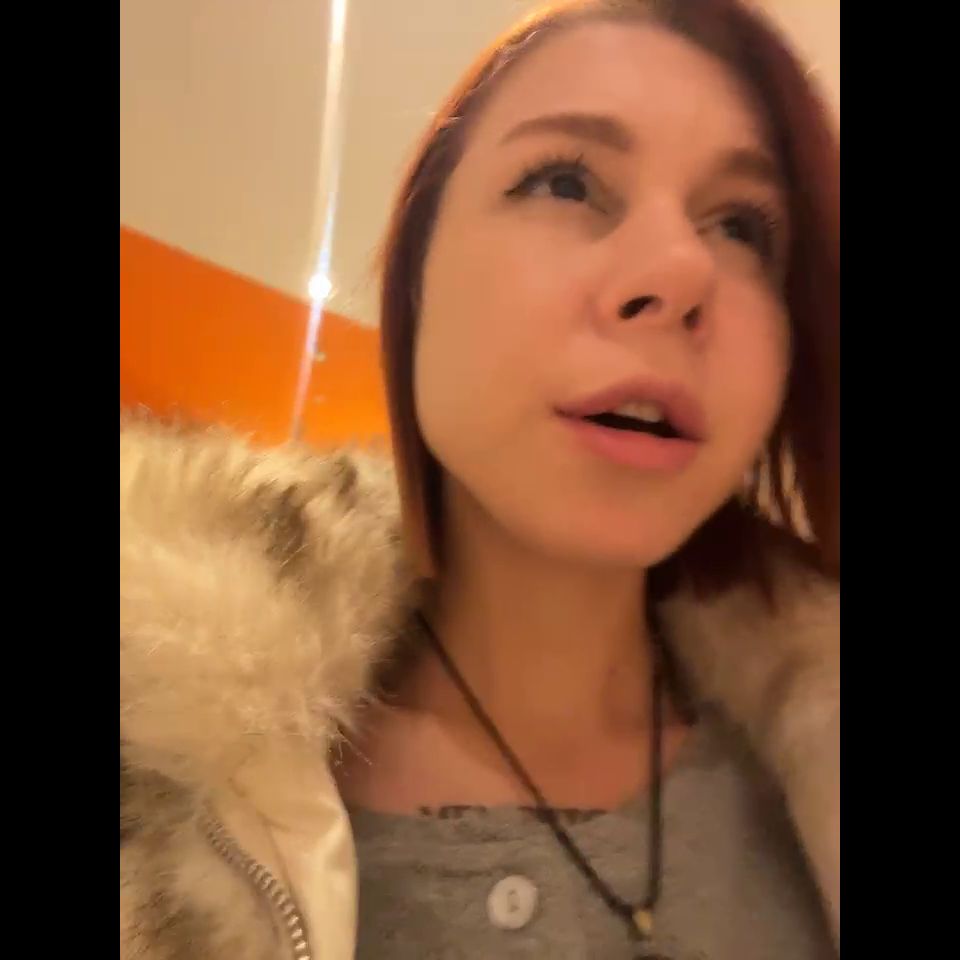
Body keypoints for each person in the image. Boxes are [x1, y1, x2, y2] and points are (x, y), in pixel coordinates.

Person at [119, 0, 839, 957]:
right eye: (565, 180)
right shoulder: (151, 761)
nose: (678, 270)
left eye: (743, 226)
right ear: (415, 281)